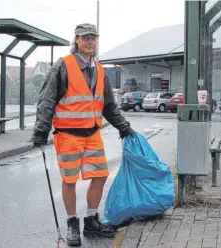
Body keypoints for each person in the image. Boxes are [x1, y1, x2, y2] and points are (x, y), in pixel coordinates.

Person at [31, 23, 134, 246]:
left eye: (93, 38)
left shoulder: (100, 70)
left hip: (92, 134)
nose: (90, 41)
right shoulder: (62, 67)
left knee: (100, 175)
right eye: (85, 37)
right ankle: (72, 224)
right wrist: (41, 131)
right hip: (68, 135)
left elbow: (109, 106)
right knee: (69, 180)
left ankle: (91, 220)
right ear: (76, 40)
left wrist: (123, 127)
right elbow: (47, 100)